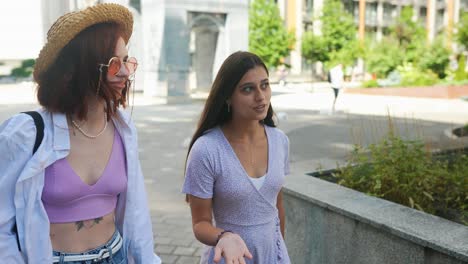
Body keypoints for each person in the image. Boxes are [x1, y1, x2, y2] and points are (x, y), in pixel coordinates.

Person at [0, 4, 161, 263]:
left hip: (116, 254)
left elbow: (137, 213)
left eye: (127, 62)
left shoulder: (123, 130)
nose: (124, 73)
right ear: (79, 68)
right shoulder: (26, 134)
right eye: (113, 63)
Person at [183, 51, 291, 264]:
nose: (260, 97)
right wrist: (224, 236)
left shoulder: (280, 141)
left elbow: (277, 206)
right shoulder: (207, 149)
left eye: (265, 85)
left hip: (274, 256)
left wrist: (280, 253)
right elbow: (200, 223)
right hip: (228, 258)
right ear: (227, 97)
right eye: (248, 89)